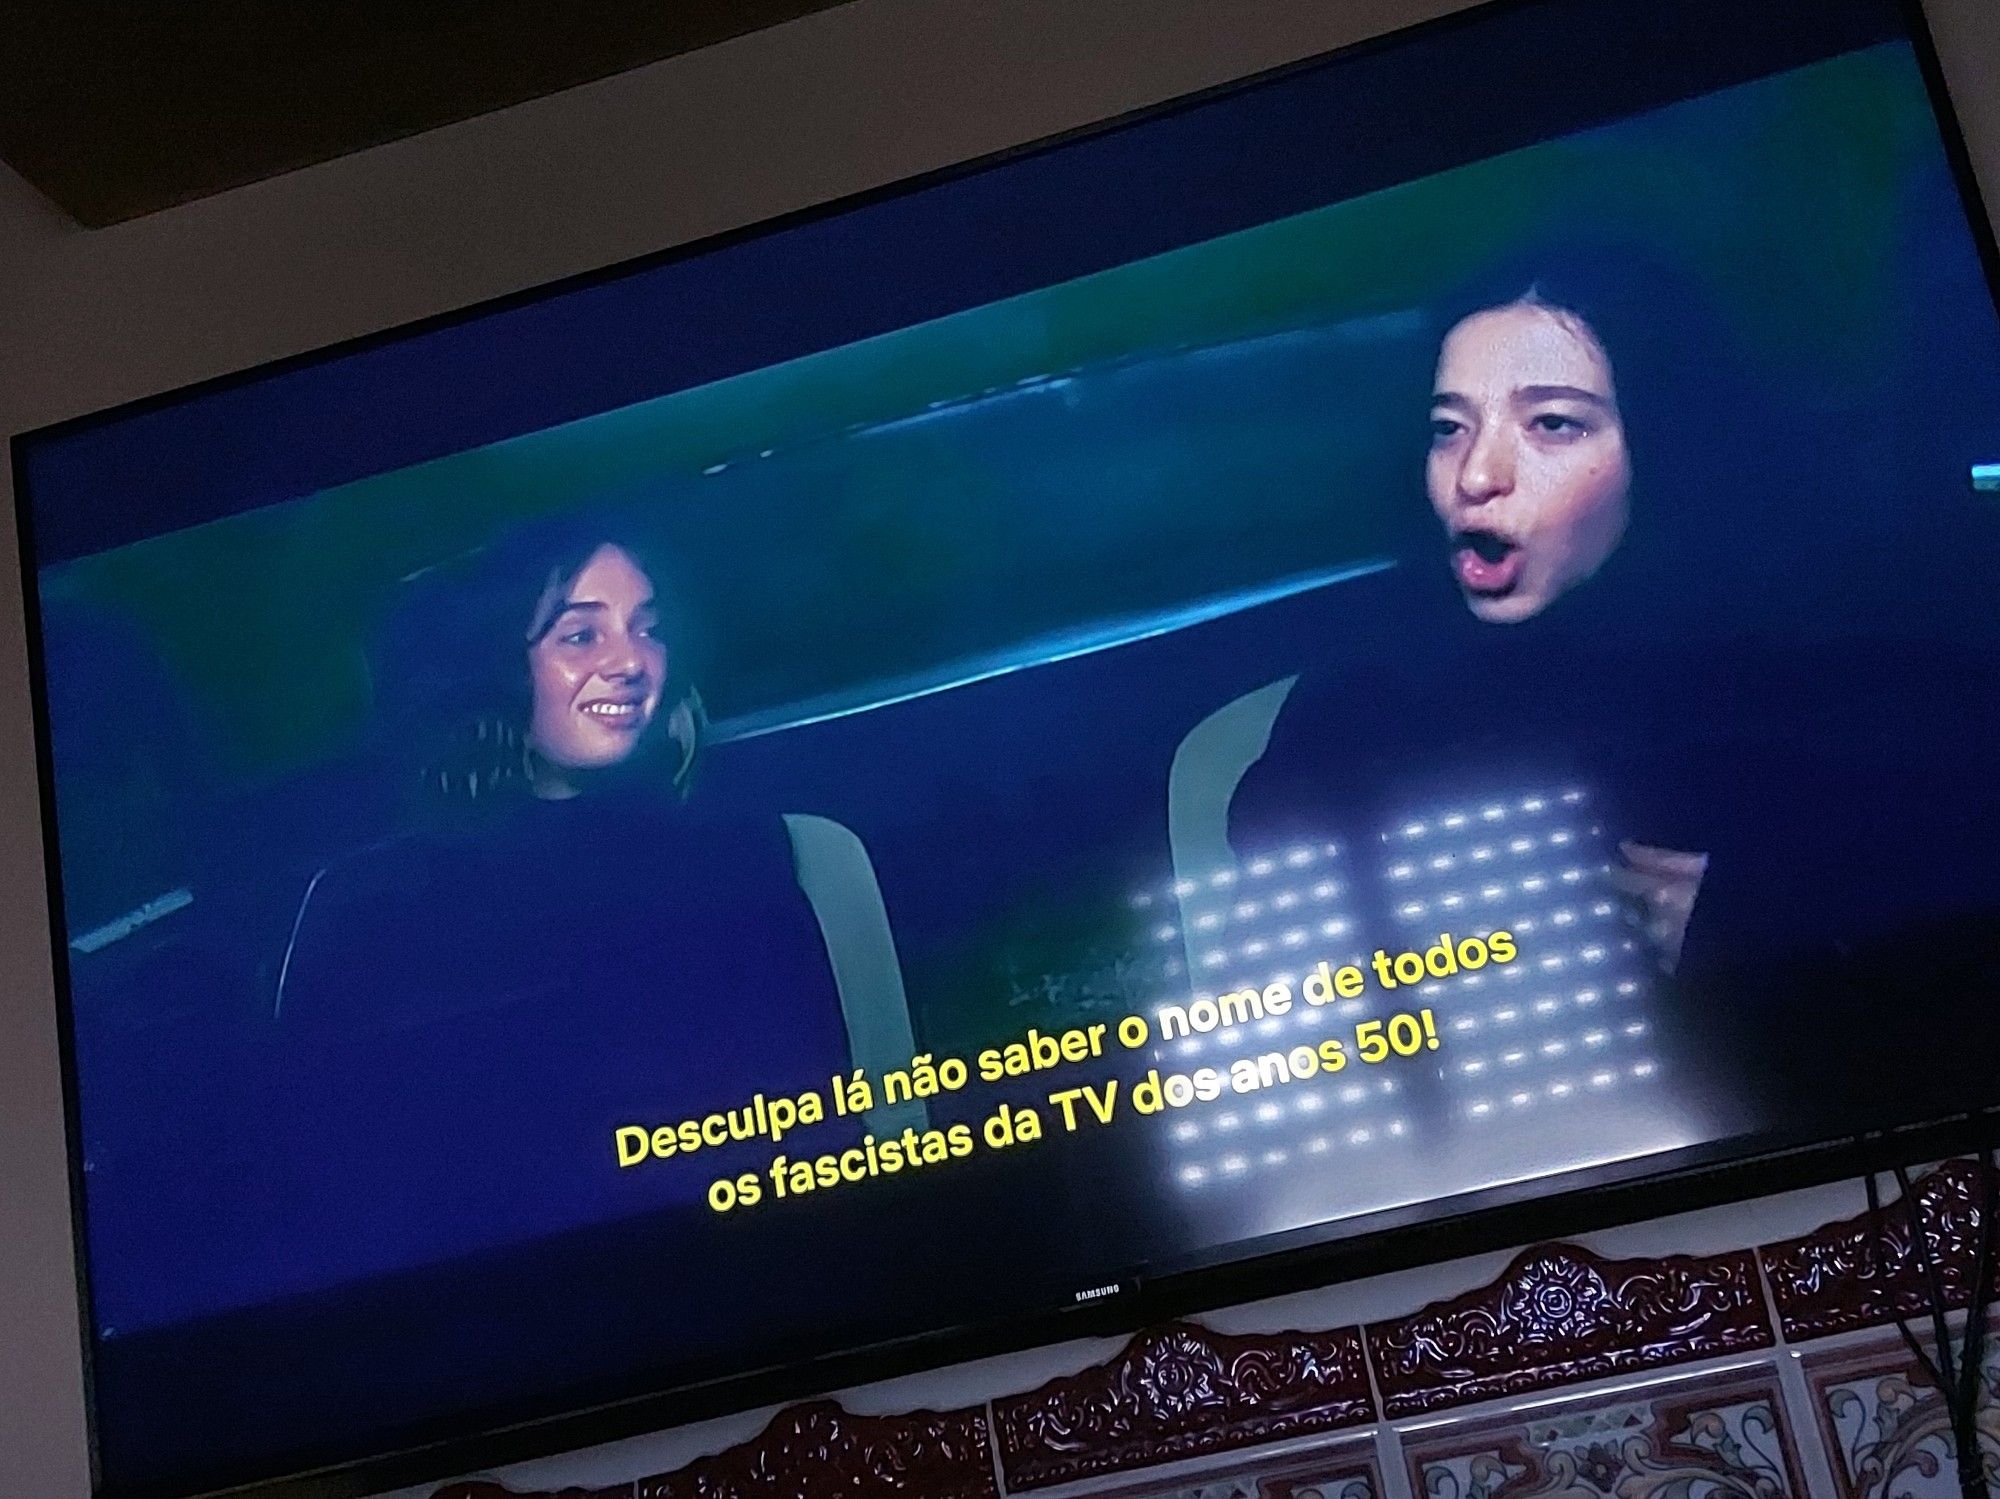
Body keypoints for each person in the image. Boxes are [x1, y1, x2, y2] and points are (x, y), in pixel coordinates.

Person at [255, 514, 854, 1293]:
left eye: (648, 629)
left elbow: (807, 1128)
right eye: (580, 637)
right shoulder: (375, 909)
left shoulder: (739, 856)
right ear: (502, 667)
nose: (631, 662)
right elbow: (333, 1192)